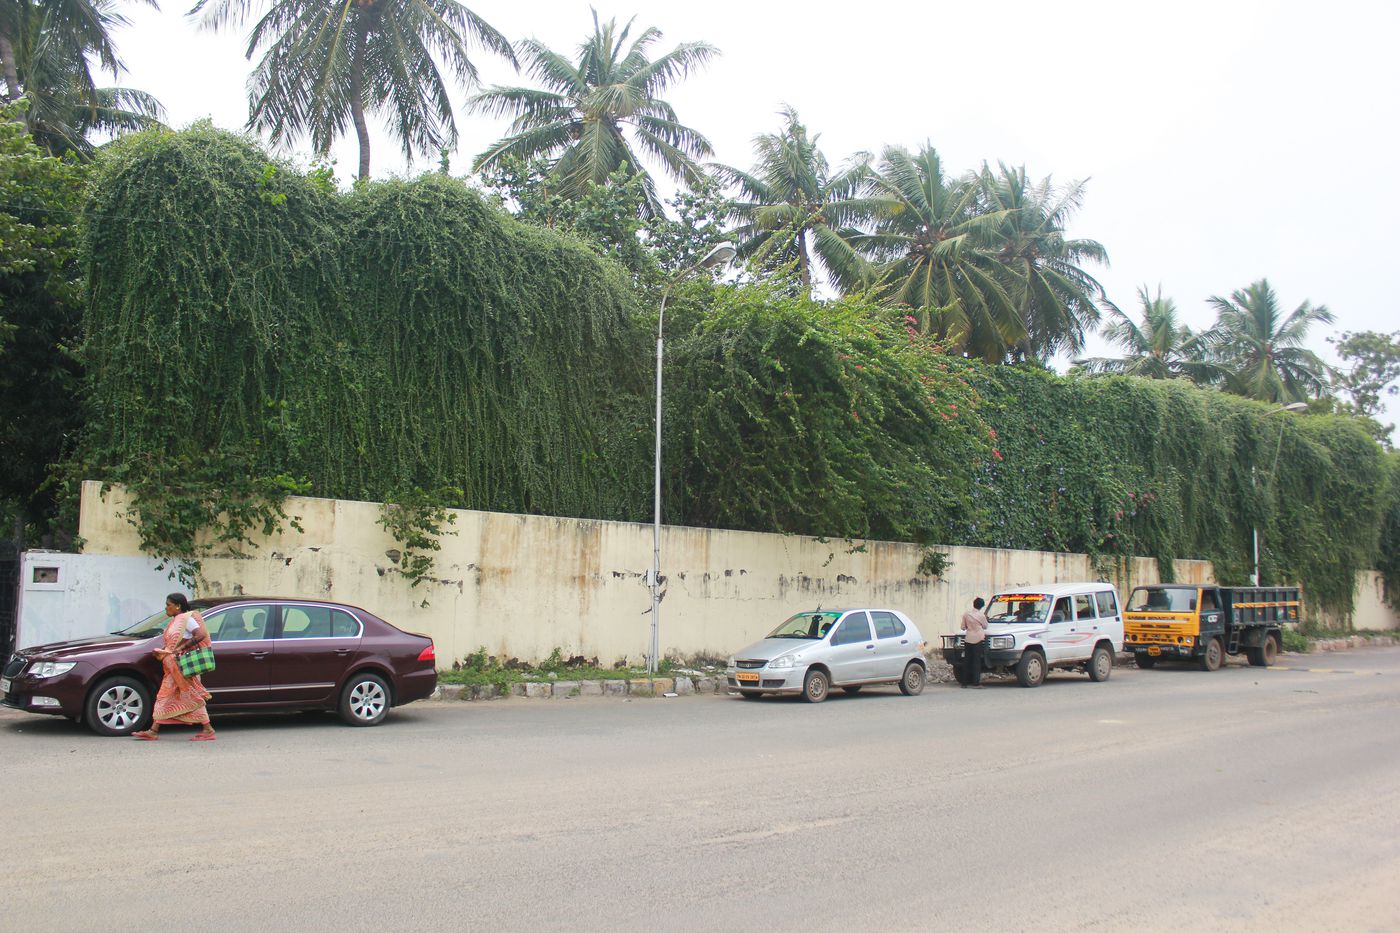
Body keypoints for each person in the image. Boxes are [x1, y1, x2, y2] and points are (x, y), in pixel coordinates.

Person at [131, 593, 216, 741]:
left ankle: (208, 729)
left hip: (182, 668)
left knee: (189, 695)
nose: (166, 608)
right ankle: (153, 730)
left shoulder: (186, 619)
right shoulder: (176, 621)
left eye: (168, 605)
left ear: (178, 606)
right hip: (172, 668)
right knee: (164, 696)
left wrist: (182, 648)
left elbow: (200, 634)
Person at [960, 597, 989, 689]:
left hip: (968, 638)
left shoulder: (966, 614)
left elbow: (963, 627)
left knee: (967, 660)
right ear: (981, 606)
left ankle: (964, 682)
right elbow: (985, 626)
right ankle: (975, 682)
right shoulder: (981, 616)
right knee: (976, 661)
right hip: (978, 638)